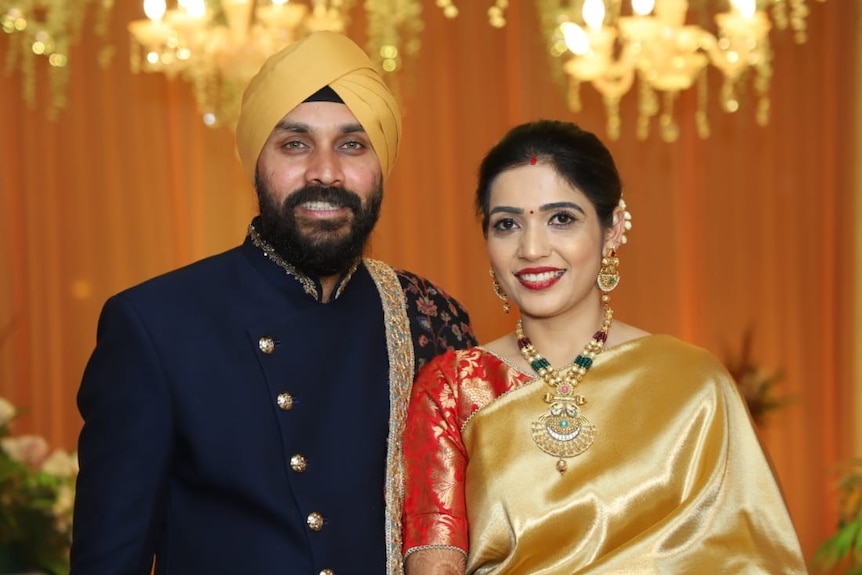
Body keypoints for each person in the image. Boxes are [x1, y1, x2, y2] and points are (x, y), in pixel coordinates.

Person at [70, 31, 476, 575]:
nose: (325, 172)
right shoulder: (156, 326)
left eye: (352, 145)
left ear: (382, 165)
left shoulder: (426, 315)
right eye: (295, 144)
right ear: (256, 162)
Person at [401, 120, 807, 574]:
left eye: (561, 219)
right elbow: (434, 561)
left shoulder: (694, 385)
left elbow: (749, 558)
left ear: (612, 229)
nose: (532, 248)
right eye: (507, 224)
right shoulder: (453, 388)